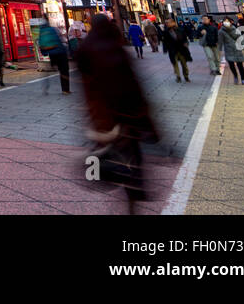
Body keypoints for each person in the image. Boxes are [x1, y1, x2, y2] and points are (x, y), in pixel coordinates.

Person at [74, 14, 158, 213]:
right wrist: (147, 121)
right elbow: (134, 86)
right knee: (132, 159)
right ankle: (132, 199)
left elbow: (85, 88)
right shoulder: (117, 49)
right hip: (126, 116)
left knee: (104, 154)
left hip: (100, 117)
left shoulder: (84, 51)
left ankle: (114, 187)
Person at [38, 18, 71, 94]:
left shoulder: (41, 32)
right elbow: (60, 39)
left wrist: (45, 53)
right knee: (64, 70)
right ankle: (65, 90)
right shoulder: (53, 29)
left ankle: (45, 87)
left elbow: (41, 44)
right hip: (60, 52)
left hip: (52, 55)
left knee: (49, 72)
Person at [161, 18, 192, 82]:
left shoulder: (180, 30)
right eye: (166, 23)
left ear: (173, 23)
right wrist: (165, 49)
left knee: (184, 64)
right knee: (175, 64)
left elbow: (185, 38)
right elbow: (165, 41)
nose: (167, 24)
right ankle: (178, 76)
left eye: (169, 22)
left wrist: (186, 43)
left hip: (181, 49)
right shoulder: (166, 32)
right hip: (172, 50)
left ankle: (186, 76)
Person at [218, 19, 244, 85]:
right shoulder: (221, 32)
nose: (226, 23)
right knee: (231, 64)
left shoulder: (235, 29)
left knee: (240, 64)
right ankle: (235, 76)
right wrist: (219, 50)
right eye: (225, 22)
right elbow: (220, 41)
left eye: (228, 21)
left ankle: (243, 79)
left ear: (231, 22)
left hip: (237, 48)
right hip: (228, 49)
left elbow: (240, 38)